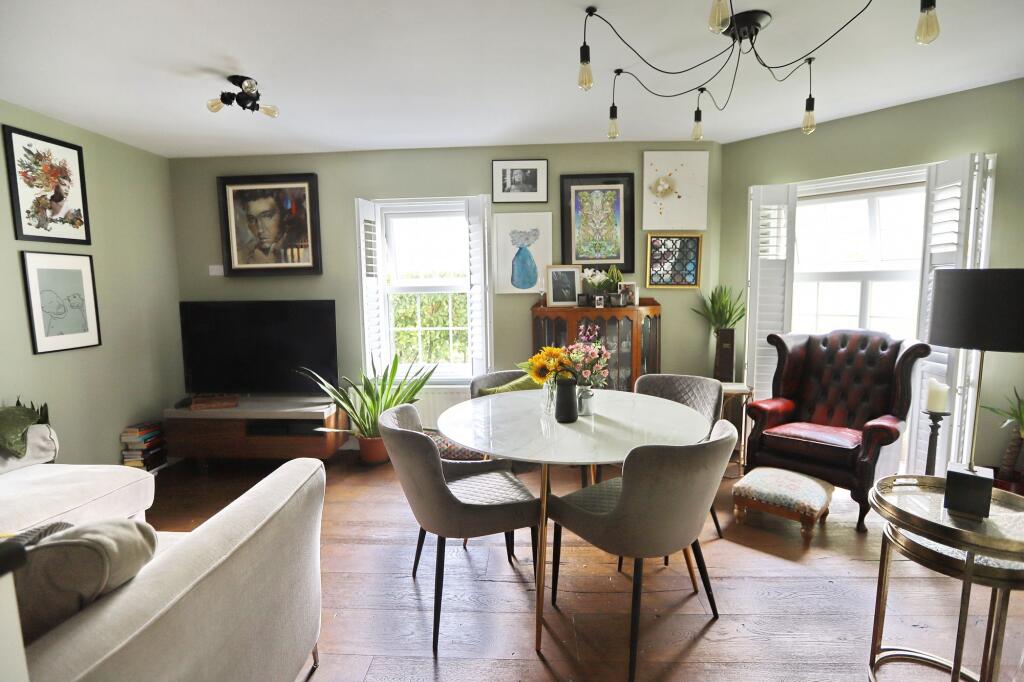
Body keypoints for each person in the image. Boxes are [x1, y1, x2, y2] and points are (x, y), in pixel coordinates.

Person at [234, 188, 309, 265]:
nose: (260, 229)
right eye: (252, 219)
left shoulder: (302, 248)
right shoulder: (244, 254)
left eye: (267, 216)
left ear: (283, 215)